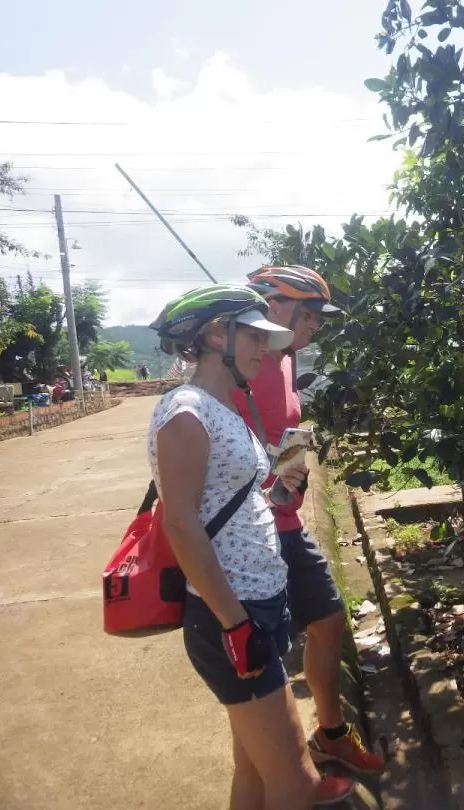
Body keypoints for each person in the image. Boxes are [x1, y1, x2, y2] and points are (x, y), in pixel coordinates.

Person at [147, 284, 354, 809]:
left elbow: (237, 498)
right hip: (232, 616)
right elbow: (183, 526)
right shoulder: (186, 414)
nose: (266, 348)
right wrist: (237, 625)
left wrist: (286, 476)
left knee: (256, 775)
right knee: (297, 784)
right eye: (255, 336)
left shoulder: (220, 407)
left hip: (258, 602)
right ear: (218, 334)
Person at [235, 265, 385, 775]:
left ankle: (331, 735)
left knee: (327, 618)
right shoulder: (240, 367)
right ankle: (283, 772)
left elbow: (283, 428)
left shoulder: (285, 359)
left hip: (285, 518)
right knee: (262, 659)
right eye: (310, 312)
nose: (316, 324)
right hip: (249, 534)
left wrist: (294, 462)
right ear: (272, 306)